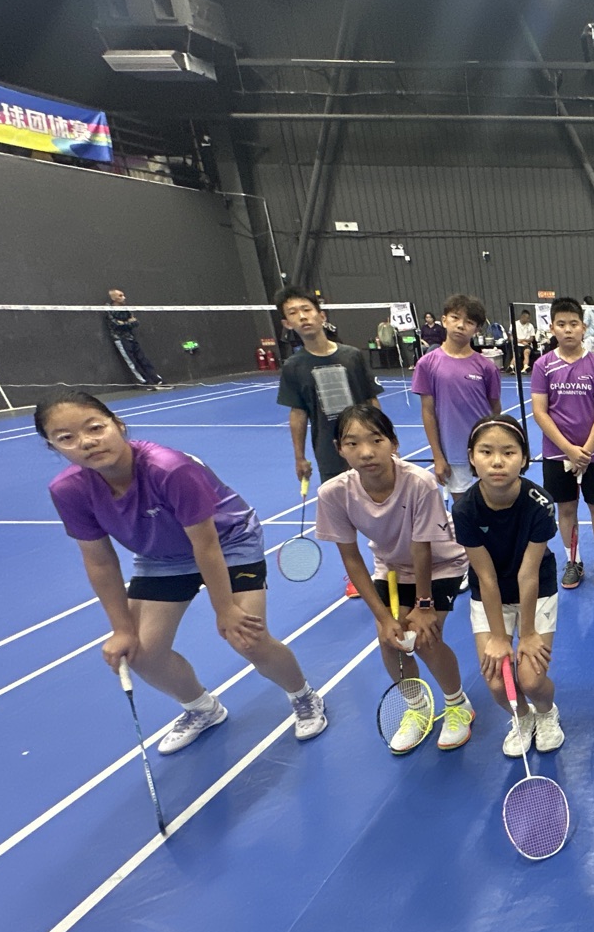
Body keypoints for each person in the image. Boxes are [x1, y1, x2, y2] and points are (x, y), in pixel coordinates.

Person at [39, 390, 327, 753]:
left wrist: (225, 609)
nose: (86, 442)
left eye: (95, 428)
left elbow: (205, 544)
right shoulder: (68, 490)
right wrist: (121, 628)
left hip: (228, 541)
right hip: (161, 559)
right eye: (66, 438)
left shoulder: (168, 468)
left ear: (118, 425)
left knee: (247, 637)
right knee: (141, 653)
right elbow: (99, 561)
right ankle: (202, 708)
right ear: (53, 447)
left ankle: (303, 695)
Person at [317, 404, 473, 755]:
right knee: (391, 640)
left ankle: (457, 703)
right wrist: (384, 618)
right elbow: (351, 557)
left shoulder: (419, 482)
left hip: (441, 563)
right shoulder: (333, 493)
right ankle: (417, 707)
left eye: (376, 440)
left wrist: (424, 605)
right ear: (339, 449)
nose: (366, 452)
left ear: (394, 443)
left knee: (424, 638)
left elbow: (422, 547)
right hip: (390, 567)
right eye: (352, 443)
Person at [454, 414, 566, 757]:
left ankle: (546, 712)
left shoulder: (540, 503)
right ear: (472, 457)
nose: (497, 461)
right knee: (497, 683)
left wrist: (527, 633)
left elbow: (528, 573)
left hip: (536, 586)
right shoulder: (464, 509)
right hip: (491, 593)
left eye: (508, 452)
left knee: (531, 679)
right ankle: (522, 717)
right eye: (486, 452)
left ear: (524, 458)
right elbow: (486, 577)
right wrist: (500, 637)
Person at [275, 288, 384, 598]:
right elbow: (298, 414)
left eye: (306, 309)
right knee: (342, 521)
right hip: (329, 453)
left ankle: (388, 565)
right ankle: (356, 577)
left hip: (367, 449)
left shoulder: (351, 356)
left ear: (321, 315)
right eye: (293, 313)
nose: (302, 316)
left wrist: (386, 440)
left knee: (382, 508)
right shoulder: (293, 367)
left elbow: (370, 400)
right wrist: (299, 456)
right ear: (287, 324)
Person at [530, 296, 594, 591]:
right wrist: (568, 449)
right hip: (557, 454)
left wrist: (586, 450)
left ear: (583, 327)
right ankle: (573, 561)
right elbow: (540, 412)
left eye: (574, 324)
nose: (568, 329)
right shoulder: (543, 366)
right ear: (552, 328)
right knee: (566, 509)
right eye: (561, 324)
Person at [410, 293, 502, 497]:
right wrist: (438, 456)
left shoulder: (487, 367)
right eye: (455, 318)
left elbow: (495, 409)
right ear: (444, 320)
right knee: (463, 509)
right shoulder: (427, 364)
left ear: (477, 329)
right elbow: (428, 412)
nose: (461, 325)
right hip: (453, 453)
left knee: (494, 504)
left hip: (487, 451)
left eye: (469, 322)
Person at [104, 289, 165, 388]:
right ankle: (146, 383)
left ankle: (157, 380)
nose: (124, 297)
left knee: (143, 359)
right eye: (120, 296)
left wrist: (124, 323)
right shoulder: (109, 310)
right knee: (132, 362)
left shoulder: (126, 308)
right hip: (120, 339)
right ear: (114, 298)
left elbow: (135, 322)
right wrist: (128, 322)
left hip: (131, 337)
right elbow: (116, 325)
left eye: (123, 295)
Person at [515, 309, 537, 373]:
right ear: (522, 317)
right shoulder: (515, 324)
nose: (528, 320)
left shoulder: (530, 326)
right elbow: (511, 337)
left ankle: (525, 366)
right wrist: (519, 341)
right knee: (516, 354)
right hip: (517, 344)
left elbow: (531, 339)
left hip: (527, 345)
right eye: (527, 318)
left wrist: (522, 340)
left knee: (526, 352)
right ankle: (511, 366)